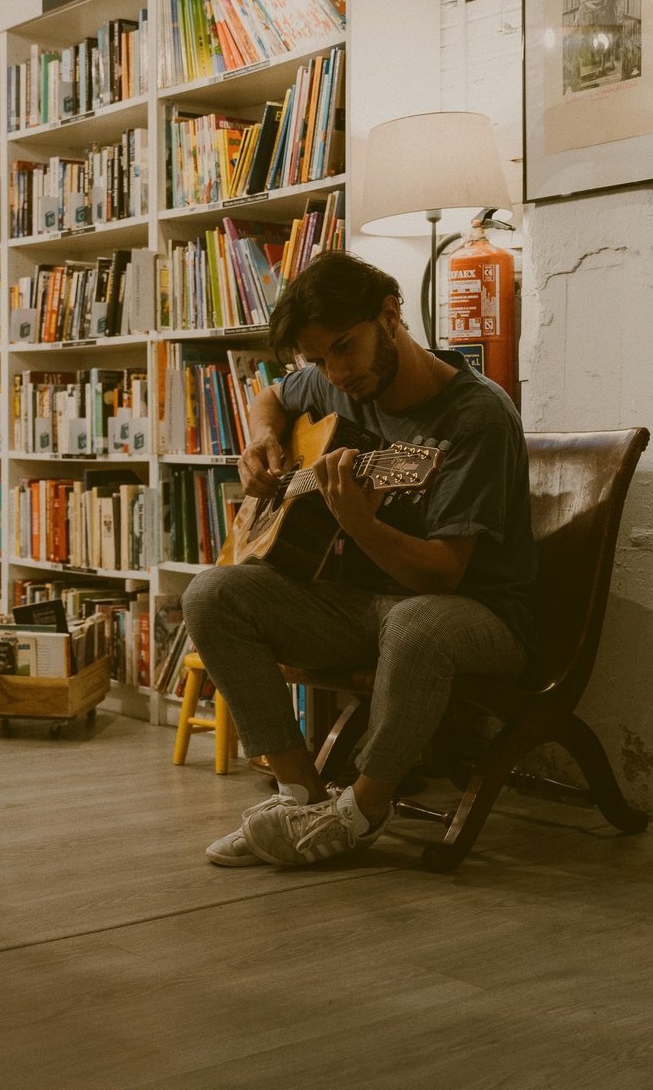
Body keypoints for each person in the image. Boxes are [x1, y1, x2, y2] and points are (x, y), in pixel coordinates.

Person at [183, 250, 535, 868]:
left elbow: (443, 574)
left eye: (344, 348)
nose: (336, 373)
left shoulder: (476, 416)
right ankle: (300, 797)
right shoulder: (331, 380)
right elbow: (272, 395)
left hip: (478, 615)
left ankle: (361, 815)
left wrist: (358, 524)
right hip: (364, 608)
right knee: (211, 594)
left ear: (391, 315)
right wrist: (264, 436)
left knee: (418, 620)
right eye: (319, 360)